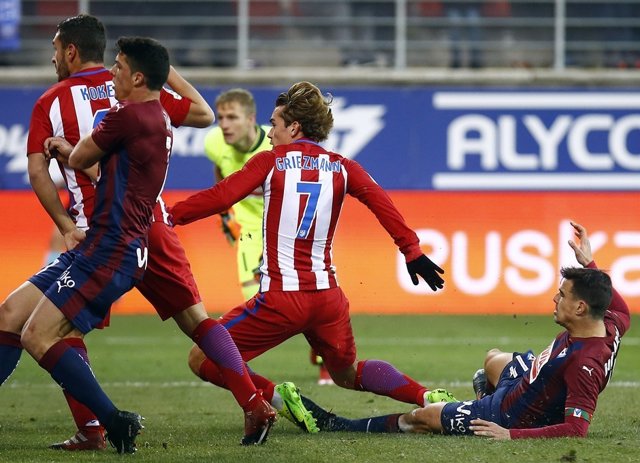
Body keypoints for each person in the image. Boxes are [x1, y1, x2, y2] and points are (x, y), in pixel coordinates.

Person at [0, 14, 275, 451]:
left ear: (71, 51)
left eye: (55, 49)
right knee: (198, 321)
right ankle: (253, 401)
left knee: (52, 329)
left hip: (103, 235)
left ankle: (96, 427)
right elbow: (203, 113)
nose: (53, 57)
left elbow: (40, 170)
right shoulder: (146, 94)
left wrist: (66, 226)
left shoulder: (55, 101)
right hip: (155, 227)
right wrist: (167, 70)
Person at [170, 81, 450, 431]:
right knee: (347, 374)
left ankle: (274, 398)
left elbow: (221, 197)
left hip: (281, 300)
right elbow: (382, 203)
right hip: (328, 300)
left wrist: (169, 216)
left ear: (294, 127)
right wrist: (411, 250)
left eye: (273, 124)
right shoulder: (344, 166)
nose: (269, 133)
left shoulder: (270, 162)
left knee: (202, 357)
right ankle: (430, 399)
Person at [298, 222, 631, 439]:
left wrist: (509, 434)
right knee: (492, 360)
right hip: (528, 380)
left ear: (580, 308)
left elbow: (576, 429)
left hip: (510, 414)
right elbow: (620, 305)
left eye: (563, 295)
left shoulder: (585, 364)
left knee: (424, 417)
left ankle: (337, 424)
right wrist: (589, 264)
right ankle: (484, 392)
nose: (554, 298)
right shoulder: (612, 321)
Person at [17, 35, 175, 454]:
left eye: (120, 67)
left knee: (36, 335)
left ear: (138, 77)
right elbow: (108, 175)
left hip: (108, 249)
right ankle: (96, 427)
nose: (112, 72)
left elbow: (80, 158)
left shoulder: (124, 117)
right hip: (111, 245)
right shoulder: (158, 118)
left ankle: (112, 421)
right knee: (11, 315)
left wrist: (64, 147)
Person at [201, 88, 332, 386]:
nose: (224, 125)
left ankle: (323, 358)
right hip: (249, 230)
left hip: (283, 227)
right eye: (221, 118)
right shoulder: (213, 143)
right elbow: (220, 170)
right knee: (258, 302)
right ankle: (242, 369)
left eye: (232, 117)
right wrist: (226, 215)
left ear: (251, 120)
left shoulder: (276, 142)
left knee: (305, 295)